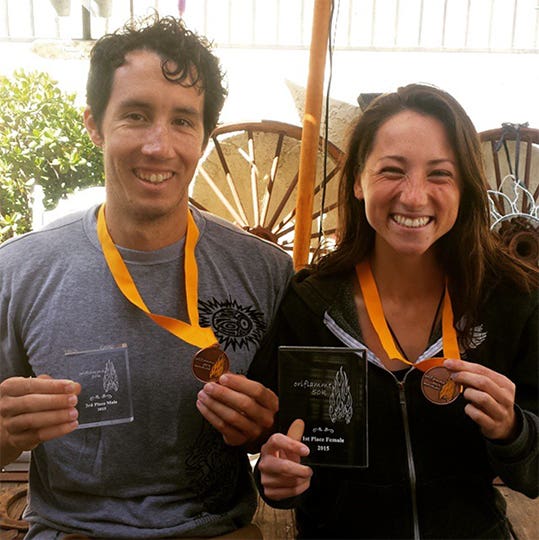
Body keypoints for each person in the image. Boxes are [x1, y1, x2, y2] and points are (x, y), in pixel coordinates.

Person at [0, 14, 293, 539]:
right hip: (72, 531)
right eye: (136, 115)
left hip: (214, 531)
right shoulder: (19, 270)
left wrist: (261, 431)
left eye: (183, 120)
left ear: (203, 135)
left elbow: (283, 443)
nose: (159, 146)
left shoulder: (265, 272)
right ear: (93, 124)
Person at [251, 83, 538, 539]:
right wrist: (275, 477)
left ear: (464, 186)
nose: (414, 196)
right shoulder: (310, 305)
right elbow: (277, 448)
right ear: (359, 183)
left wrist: (513, 429)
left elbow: (534, 472)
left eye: (439, 174)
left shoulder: (511, 300)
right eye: (392, 170)